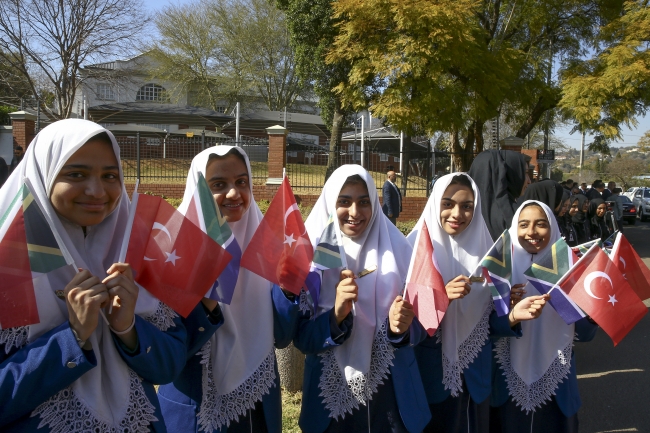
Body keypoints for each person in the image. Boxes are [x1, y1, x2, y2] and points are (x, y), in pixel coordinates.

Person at [0, 119, 210, 432]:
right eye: (76, 174)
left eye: (110, 175)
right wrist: (72, 337)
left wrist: (127, 327)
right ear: (43, 176)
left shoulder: (135, 250)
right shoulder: (8, 264)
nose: (97, 191)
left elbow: (168, 367)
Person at [158, 146, 301, 433]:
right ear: (197, 189)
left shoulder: (267, 247)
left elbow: (282, 338)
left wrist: (287, 289)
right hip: (198, 410)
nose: (235, 194)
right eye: (219, 185)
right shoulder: (171, 253)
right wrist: (208, 305)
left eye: (242, 182)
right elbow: (165, 355)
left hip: (259, 410)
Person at [407, 173, 549, 433]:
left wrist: (513, 316)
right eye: (448, 204)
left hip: (477, 377)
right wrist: (441, 299)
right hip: (429, 377)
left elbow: (489, 327)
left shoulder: (489, 255)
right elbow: (406, 329)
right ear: (435, 202)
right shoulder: (411, 253)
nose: (457, 214)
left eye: (467, 206)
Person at [295, 165, 431, 433]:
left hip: (392, 397)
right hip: (328, 400)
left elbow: (425, 322)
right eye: (344, 202)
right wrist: (335, 317)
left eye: (364, 202)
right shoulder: (308, 259)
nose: (355, 212)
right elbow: (300, 338)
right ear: (330, 203)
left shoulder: (401, 251)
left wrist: (400, 328)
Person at [491, 200, 599, 433]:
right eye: (523, 225)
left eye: (540, 224)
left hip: (557, 380)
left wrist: (592, 313)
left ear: (552, 228)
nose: (531, 232)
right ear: (513, 229)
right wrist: (511, 316)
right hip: (505, 380)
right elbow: (487, 329)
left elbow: (585, 334)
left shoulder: (570, 270)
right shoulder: (499, 269)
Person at [468, 150, 530, 241]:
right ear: (510, 176)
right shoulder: (520, 218)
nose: (529, 181)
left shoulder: (460, 219)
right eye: (525, 173)